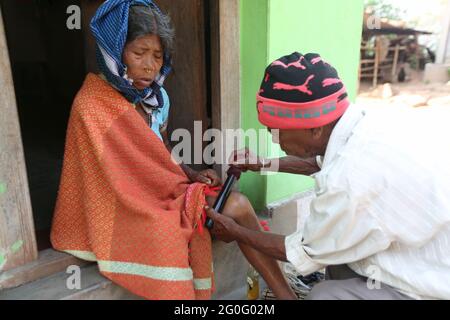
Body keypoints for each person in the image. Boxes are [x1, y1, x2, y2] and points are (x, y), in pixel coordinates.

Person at [51, 0, 295, 300]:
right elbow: (96, 179)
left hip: (167, 192)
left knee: (239, 204)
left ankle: (285, 293)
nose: (150, 65)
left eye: (157, 55)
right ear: (114, 51)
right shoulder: (91, 104)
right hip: (125, 206)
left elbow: (161, 151)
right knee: (176, 228)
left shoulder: (157, 98)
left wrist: (192, 175)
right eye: (139, 53)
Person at [206, 52, 450, 300]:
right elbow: (318, 163)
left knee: (325, 295)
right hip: (418, 257)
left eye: (276, 132)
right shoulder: (363, 128)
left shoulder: (349, 179)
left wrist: (235, 231)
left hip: (430, 288)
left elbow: (300, 251)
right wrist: (262, 163)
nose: (274, 140)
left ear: (315, 129)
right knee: (337, 253)